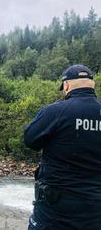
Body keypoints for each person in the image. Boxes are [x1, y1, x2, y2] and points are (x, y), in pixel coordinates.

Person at [24, 64, 101, 230]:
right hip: (95, 209)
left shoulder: (55, 111)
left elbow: (30, 140)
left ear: (66, 85)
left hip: (55, 209)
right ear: (92, 84)